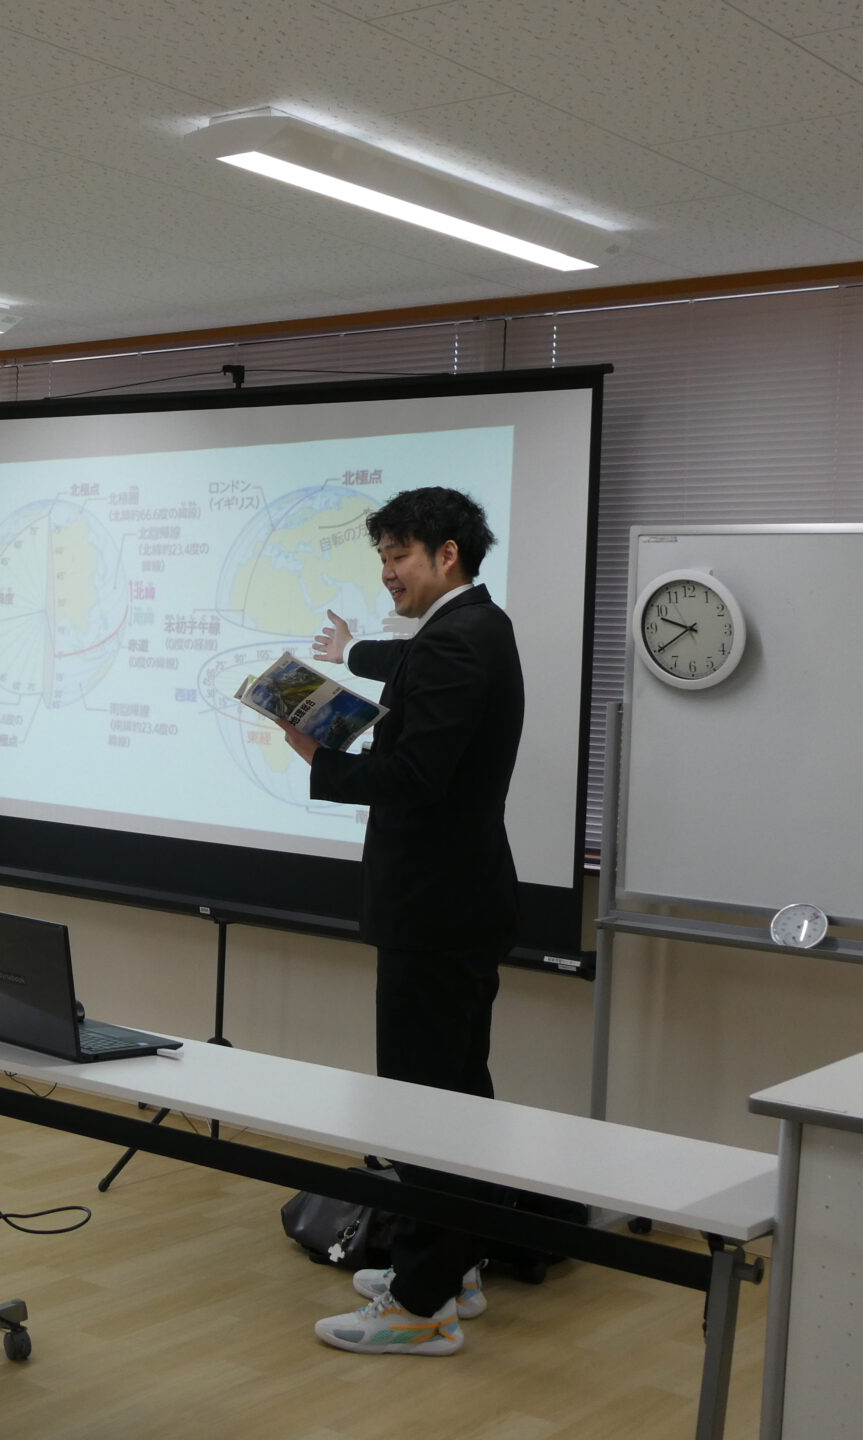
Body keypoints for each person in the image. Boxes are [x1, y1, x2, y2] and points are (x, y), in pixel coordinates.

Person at [275, 486, 523, 1358]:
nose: (387, 573)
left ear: (447, 555)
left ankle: (421, 1306)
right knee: (455, 1096)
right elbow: (415, 708)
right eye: (381, 557)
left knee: (422, 1105)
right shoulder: (471, 628)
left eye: (399, 556)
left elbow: (416, 778)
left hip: (436, 908)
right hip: (457, 903)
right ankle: (452, 1267)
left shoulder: (455, 640)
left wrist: (320, 754)